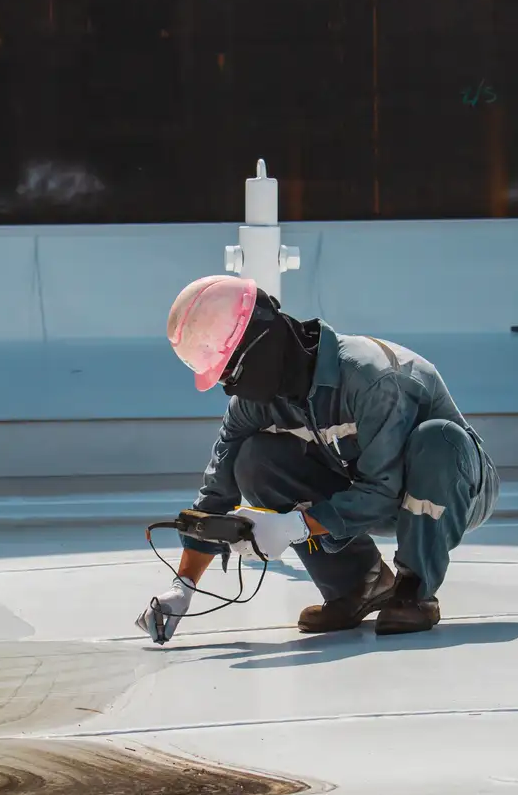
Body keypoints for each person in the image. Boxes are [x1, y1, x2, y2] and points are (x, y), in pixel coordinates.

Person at [139, 275, 498, 643]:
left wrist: (295, 526)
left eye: (229, 372)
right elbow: (217, 490)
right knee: (254, 460)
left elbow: (383, 490)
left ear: (259, 345)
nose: (229, 387)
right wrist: (183, 587)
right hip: (364, 487)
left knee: (437, 440)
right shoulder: (256, 402)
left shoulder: (370, 377)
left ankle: (415, 589)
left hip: (454, 485)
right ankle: (360, 583)